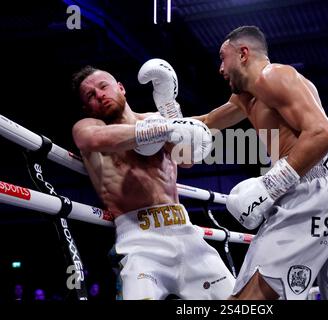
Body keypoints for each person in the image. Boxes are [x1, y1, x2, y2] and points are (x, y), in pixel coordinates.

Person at [195, 26, 328, 300]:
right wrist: (153, 120)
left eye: (222, 57)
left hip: (314, 192)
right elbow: (206, 123)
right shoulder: (248, 97)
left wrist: (269, 185)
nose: (220, 69)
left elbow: (325, 133)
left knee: (245, 302)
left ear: (243, 54)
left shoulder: (273, 75)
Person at [71, 63, 235, 300]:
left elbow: (187, 159)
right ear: (87, 107)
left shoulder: (155, 119)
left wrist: (169, 111)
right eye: (91, 96)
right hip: (139, 242)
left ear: (121, 88)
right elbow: (92, 139)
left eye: (103, 87)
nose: (100, 95)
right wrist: (153, 131)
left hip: (185, 233)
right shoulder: (88, 127)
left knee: (236, 302)